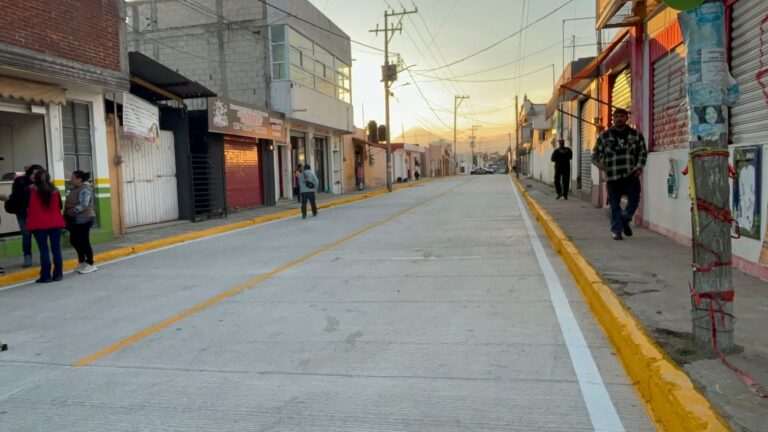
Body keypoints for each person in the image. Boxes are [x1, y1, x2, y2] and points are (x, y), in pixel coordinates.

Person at [592, 108, 648, 240]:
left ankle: (625, 218)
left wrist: (640, 166)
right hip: (613, 175)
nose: (619, 118)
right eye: (616, 116)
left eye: (621, 116)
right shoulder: (604, 136)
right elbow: (595, 154)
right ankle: (617, 230)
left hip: (631, 175)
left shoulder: (636, 135)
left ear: (627, 118)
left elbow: (642, 153)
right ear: (613, 119)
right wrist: (598, 163)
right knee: (614, 204)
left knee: (634, 199)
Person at [0, 164, 43, 272]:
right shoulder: (20, 181)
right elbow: (15, 195)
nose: (32, 175)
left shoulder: (40, 182)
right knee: (26, 235)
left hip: (37, 214)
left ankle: (44, 256)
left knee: (40, 235)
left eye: (34, 173)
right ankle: (27, 257)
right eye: (30, 172)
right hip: (22, 213)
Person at [25, 169, 65, 283]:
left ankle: (46, 276)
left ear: (36, 178)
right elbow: (60, 206)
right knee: (56, 249)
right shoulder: (55, 190)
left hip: (38, 224)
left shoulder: (30, 190)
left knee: (44, 250)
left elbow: (23, 205)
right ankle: (58, 274)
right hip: (55, 223)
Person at [65, 170, 97, 274]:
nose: (71, 179)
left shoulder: (85, 189)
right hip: (76, 219)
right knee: (74, 240)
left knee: (84, 241)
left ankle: (90, 263)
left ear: (79, 179)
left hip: (85, 219)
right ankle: (82, 261)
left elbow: (84, 204)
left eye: (73, 178)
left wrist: (72, 212)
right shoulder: (74, 188)